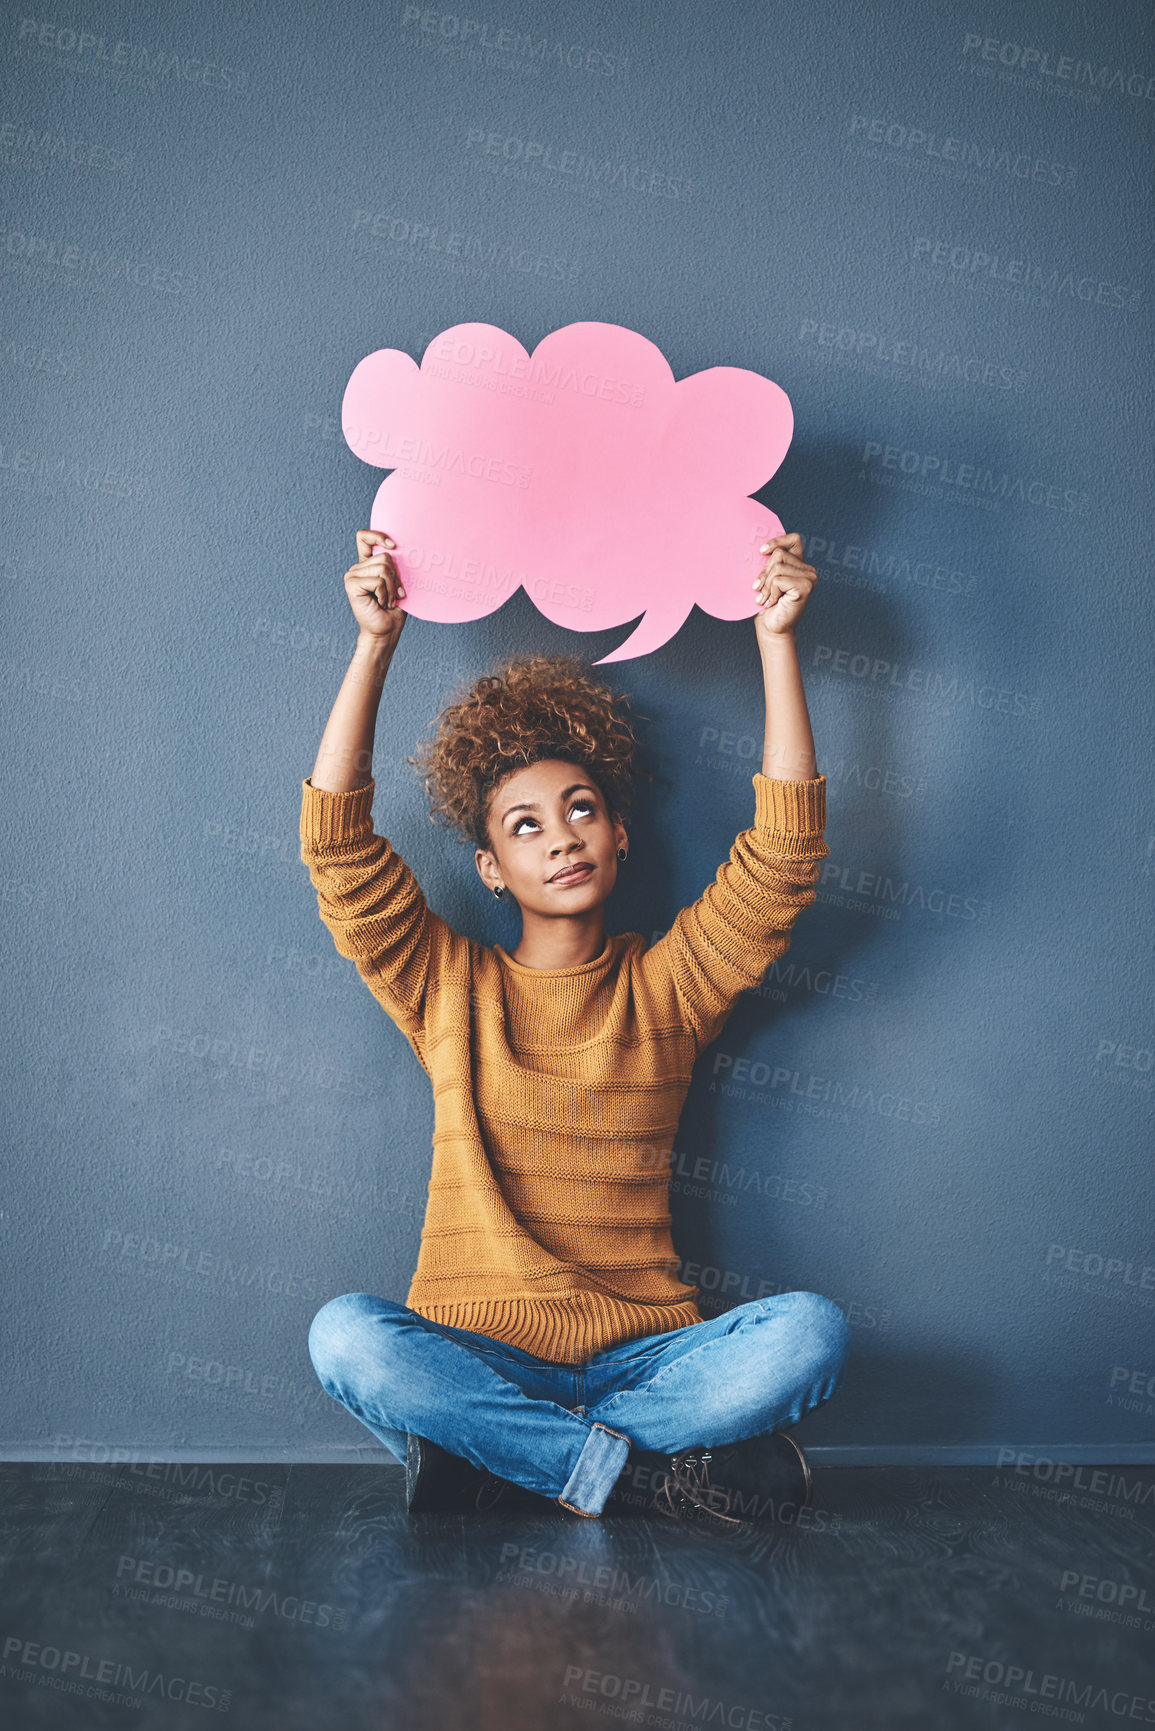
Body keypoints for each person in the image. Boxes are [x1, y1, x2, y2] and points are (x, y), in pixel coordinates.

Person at [301, 528, 851, 1527]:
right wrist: (374, 645)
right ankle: (636, 1481)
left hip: (646, 1359)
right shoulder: (445, 986)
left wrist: (778, 640)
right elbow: (338, 852)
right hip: (472, 1354)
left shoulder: (667, 988)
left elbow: (785, 856)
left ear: (619, 833)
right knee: (346, 1336)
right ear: (488, 870)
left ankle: (510, 1469)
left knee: (809, 1333)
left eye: (581, 809)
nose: (561, 837)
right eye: (524, 825)